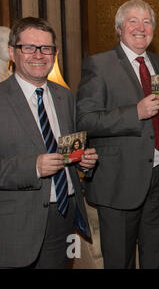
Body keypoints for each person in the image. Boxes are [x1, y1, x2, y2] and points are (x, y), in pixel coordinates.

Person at [76, 0, 159, 269]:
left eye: (147, 22)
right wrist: (135, 112)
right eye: (133, 21)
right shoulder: (99, 64)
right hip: (120, 182)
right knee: (120, 261)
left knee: (157, 257)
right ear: (119, 28)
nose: (141, 27)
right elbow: (85, 119)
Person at [0, 17, 98, 268]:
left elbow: (70, 150)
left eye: (46, 48)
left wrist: (84, 162)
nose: (39, 55)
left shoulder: (65, 96)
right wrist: (34, 167)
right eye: (29, 47)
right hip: (16, 225)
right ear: (12, 51)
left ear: (55, 54)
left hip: (63, 216)